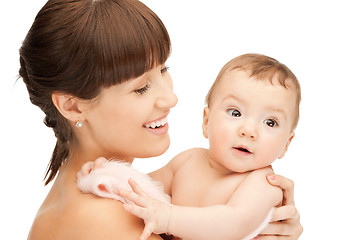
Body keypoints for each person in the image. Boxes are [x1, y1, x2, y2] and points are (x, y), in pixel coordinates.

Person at [18, 0, 302, 238]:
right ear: (72, 106)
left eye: (164, 69)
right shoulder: (105, 219)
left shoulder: (101, 193)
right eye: (141, 87)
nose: (171, 98)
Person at [78, 53, 303, 240]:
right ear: (206, 121)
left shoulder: (264, 184)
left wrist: (169, 218)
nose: (249, 131)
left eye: (270, 122)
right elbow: (141, 189)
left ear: (286, 144)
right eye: (235, 113)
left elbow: (234, 222)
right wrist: (110, 174)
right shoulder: (187, 161)